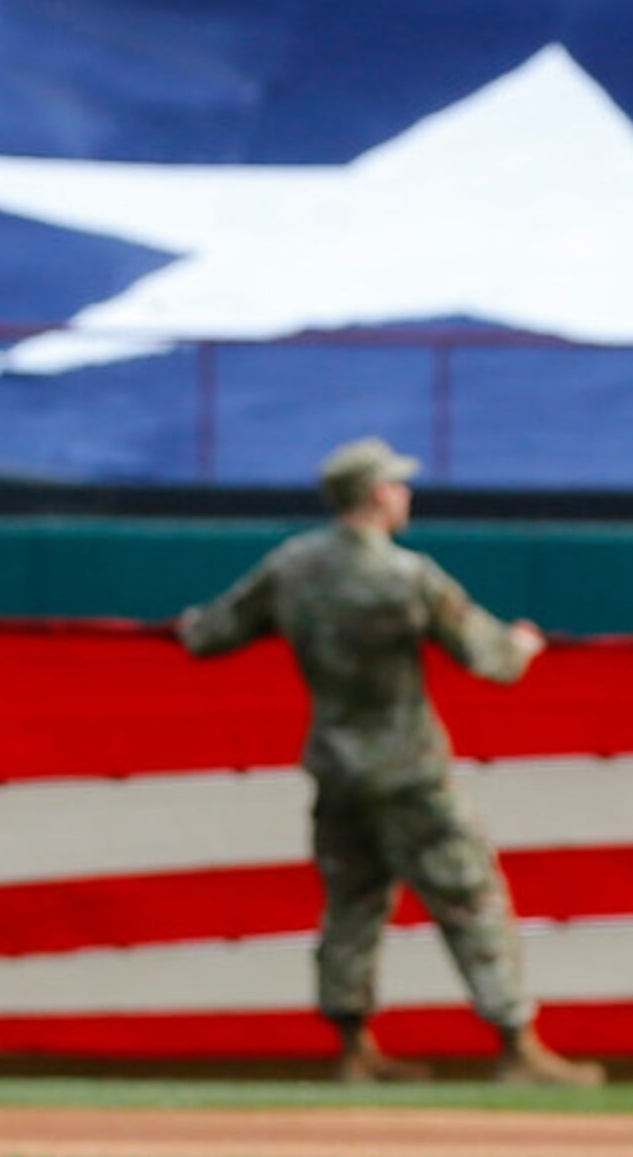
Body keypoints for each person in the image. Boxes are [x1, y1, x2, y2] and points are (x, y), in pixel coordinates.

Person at [177, 437, 604, 1089]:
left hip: (336, 768)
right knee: (470, 896)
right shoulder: (407, 577)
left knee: (350, 905)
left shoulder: (292, 566)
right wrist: (522, 643)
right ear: (377, 495)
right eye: (398, 486)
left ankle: (353, 1048)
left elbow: (208, 634)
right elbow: (493, 659)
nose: (405, 496)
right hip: (410, 770)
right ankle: (517, 1044)